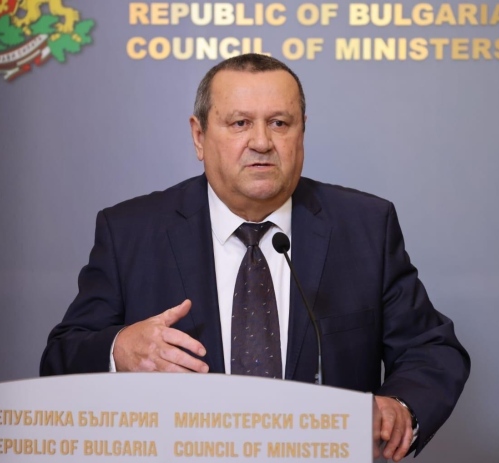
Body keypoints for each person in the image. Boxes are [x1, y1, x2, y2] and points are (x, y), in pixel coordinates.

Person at [40, 53, 470, 461]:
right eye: (240, 123)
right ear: (199, 136)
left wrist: (400, 406)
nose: (262, 142)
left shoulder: (364, 226)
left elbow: (430, 348)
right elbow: (61, 358)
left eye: (280, 123)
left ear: (302, 133)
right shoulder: (131, 231)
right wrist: (119, 350)